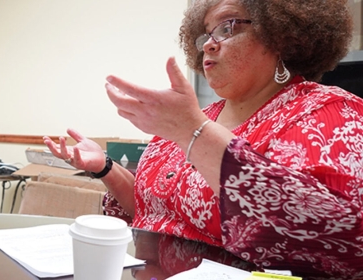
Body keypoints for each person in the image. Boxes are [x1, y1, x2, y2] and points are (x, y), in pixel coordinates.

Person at [44, 0, 363, 278]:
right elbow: (152, 214)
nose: (208, 44)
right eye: (205, 34)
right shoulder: (199, 115)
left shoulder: (327, 111)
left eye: (228, 27)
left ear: (280, 34)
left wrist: (192, 132)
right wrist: (105, 167)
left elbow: (330, 234)